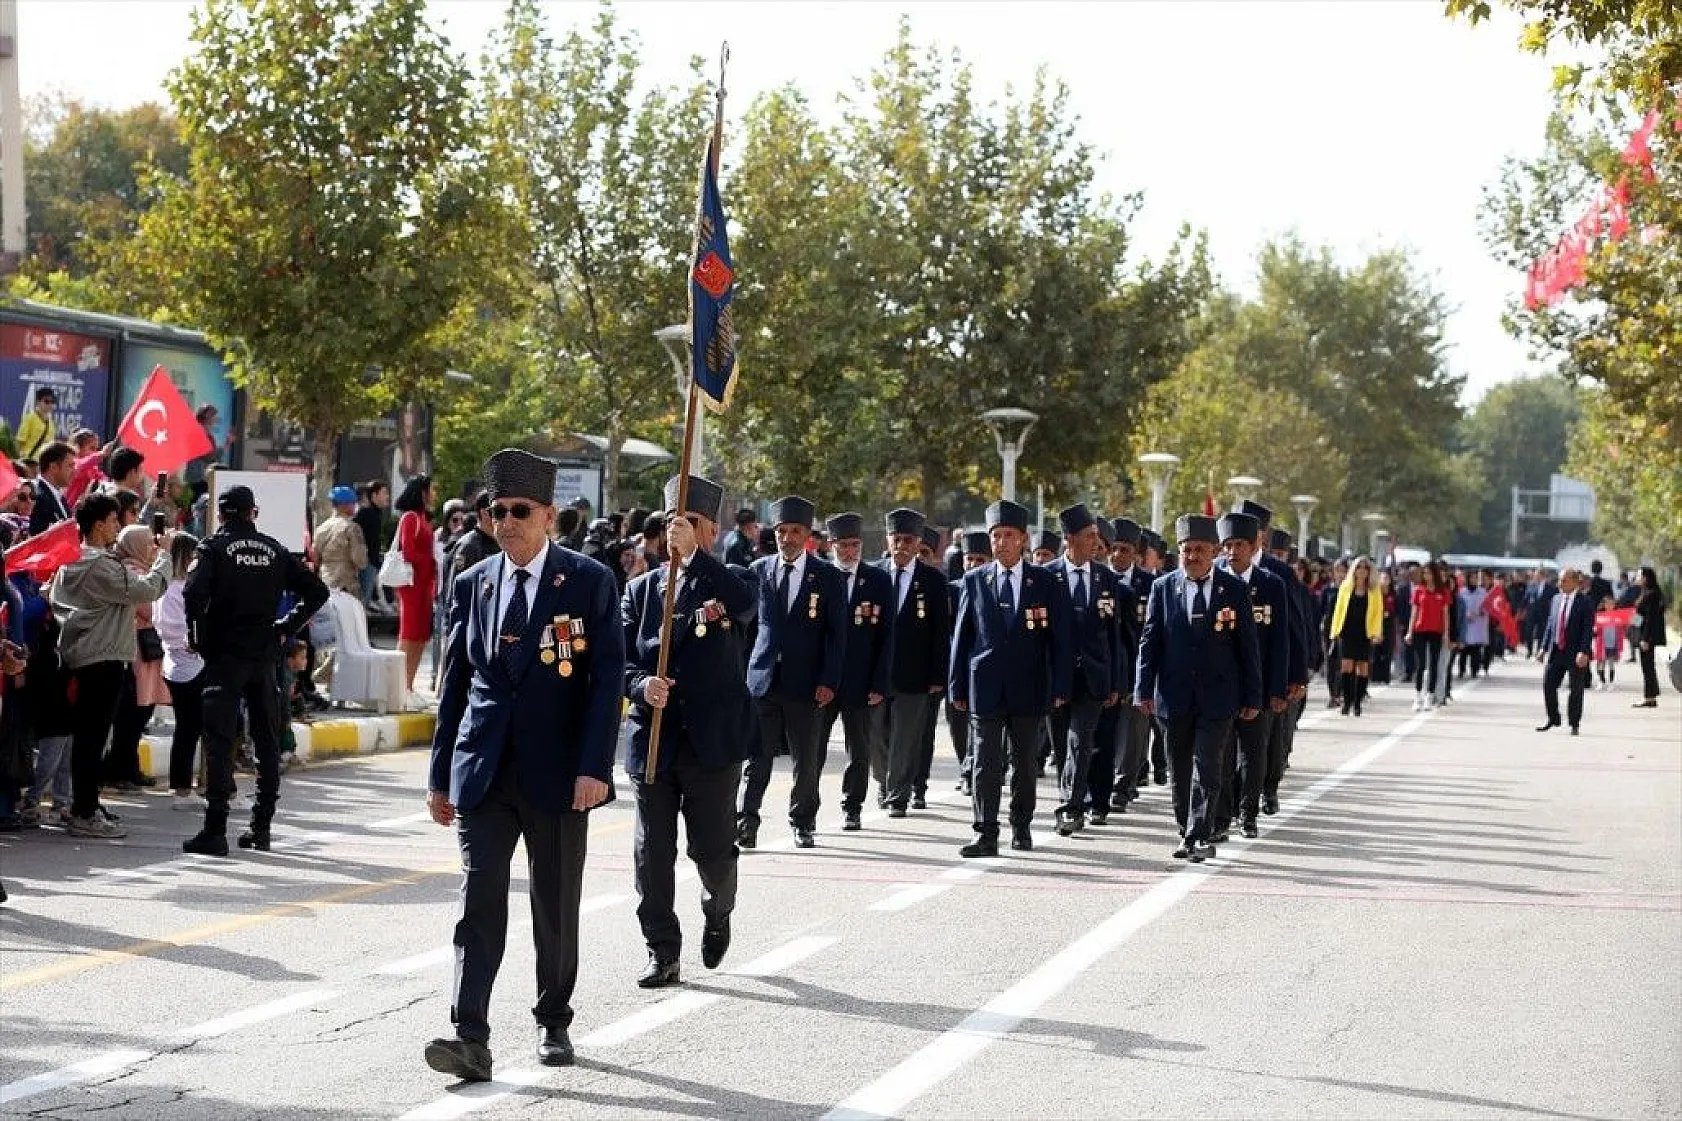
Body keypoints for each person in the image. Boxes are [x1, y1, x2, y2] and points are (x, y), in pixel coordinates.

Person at [424, 449, 622, 1082]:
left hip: (559, 772)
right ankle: (469, 1033)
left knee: (554, 903)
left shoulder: (588, 580)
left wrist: (594, 767)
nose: (505, 521)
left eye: (519, 511)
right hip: (483, 768)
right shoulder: (473, 581)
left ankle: (553, 1018)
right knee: (478, 897)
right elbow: (455, 684)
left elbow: (604, 682)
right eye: (496, 511)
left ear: (549, 516)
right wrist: (438, 774)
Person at [621, 474, 756, 988]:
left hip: (714, 743)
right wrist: (640, 685)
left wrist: (697, 559)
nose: (679, 533)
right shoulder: (640, 590)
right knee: (652, 852)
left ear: (711, 530)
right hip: (655, 740)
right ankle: (662, 948)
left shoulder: (732, 579)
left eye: (691, 524)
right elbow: (621, 662)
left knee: (712, 849)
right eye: (673, 524)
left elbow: (747, 606)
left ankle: (719, 907)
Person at [181, 486, 329, 855]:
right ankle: (260, 828)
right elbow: (317, 591)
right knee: (265, 741)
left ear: (221, 514)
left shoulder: (212, 548)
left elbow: (193, 594)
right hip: (263, 655)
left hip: (225, 655)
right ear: (252, 513)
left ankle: (215, 830)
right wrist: (284, 626)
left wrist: (199, 637)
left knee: (219, 741)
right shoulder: (275, 550)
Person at [948, 499, 1073, 857]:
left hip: (1029, 685)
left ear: (1023, 539)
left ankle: (1021, 824)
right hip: (984, 684)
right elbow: (963, 637)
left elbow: (1060, 640)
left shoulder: (1045, 582)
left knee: (1025, 762)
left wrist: (1060, 685)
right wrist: (957, 685)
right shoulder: (974, 581)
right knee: (986, 762)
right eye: (995, 536)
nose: (1001, 542)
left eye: (1008, 536)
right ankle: (985, 831)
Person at [1134, 514, 1261, 863]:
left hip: (1218, 696)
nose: (1192, 556)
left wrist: (1253, 695)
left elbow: (1246, 645)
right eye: (1187, 550)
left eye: (1200, 550)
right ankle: (1185, 828)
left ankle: (1199, 832)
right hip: (1173, 697)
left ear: (1214, 551)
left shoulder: (1233, 589)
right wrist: (1142, 688)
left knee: (1207, 766)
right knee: (1178, 769)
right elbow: (1150, 642)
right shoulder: (1163, 588)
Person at [48, 493, 173, 839]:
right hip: (102, 660)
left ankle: (84, 805)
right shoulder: (99, 565)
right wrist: (163, 556)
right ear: (99, 523)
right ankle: (84, 812)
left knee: (89, 739)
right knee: (92, 739)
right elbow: (148, 590)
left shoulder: (73, 561)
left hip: (87, 657)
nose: (118, 527)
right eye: (114, 521)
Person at [739, 496, 847, 850]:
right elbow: (748, 628)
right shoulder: (759, 570)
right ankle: (747, 821)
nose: (787, 538)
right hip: (764, 677)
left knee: (806, 757)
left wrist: (829, 680)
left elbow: (837, 635)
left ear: (807, 535)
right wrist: (745, 673)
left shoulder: (828, 577)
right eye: (782, 531)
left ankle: (803, 821)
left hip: (807, 681)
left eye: (794, 531)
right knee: (758, 756)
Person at [1043, 504, 1128, 838]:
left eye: (1096, 536)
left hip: (1094, 677)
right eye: (1089, 536)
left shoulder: (1106, 578)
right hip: (1057, 677)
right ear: (1069, 539)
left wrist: (1116, 681)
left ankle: (1071, 806)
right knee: (1062, 745)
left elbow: (1115, 635)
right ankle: (1071, 797)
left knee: (1081, 740)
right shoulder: (1047, 576)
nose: (1096, 542)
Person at [1213, 511, 1289, 841]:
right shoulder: (1213, 581)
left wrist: (1278, 687)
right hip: (1223, 683)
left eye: (1239, 544)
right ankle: (1223, 815)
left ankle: (1248, 813)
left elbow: (1281, 641)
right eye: (1227, 545)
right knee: (1223, 753)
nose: (1233, 552)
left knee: (1254, 752)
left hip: (1258, 683)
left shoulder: (1271, 584)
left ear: (1254, 545)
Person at [818, 513, 894, 828]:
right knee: (813, 750)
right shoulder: (819, 576)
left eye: (854, 545)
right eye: (843, 545)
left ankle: (853, 806)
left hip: (860, 681)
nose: (849, 552)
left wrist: (879, 683)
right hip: (823, 680)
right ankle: (807, 810)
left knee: (859, 749)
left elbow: (886, 637)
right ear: (831, 544)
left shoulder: (877, 580)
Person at [875, 508, 950, 818]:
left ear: (918, 542)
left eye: (908, 540)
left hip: (915, 673)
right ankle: (884, 780)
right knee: (876, 734)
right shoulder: (874, 574)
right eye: (897, 539)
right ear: (888, 540)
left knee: (906, 737)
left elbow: (940, 632)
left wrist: (937, 675)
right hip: (876, 673)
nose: (902, 546)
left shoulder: (932, 579)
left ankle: (898, 795)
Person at [104, 526, 170, 790]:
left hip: (144, 652)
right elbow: (150, 609)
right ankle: (120, 770)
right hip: (134, 653)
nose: (153, 548)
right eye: (148, 543)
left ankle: (128, 767)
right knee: (131, 715)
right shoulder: (132, 572)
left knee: (139, 713)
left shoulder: (140, 571)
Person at [154, 533, 207, 810]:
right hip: (187, 662)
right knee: (190, 728)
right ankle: (183, 790)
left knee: (190, 728)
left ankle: (186, 788)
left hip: (178, 662)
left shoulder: (172, 588)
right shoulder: (176, 590)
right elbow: (176, 629)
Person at [392, 474, 438, 694]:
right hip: (412, 586)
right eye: (432, 489)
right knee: (409, 635)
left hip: (425, 585)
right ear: (422, 492)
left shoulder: (422, 518)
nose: (434, 494)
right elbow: (408, 552)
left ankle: (408, 686)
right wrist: (430, 560)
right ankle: (399, 687)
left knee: (420, 635)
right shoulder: (410, 518)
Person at [1536, 566, 1594, 736]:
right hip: (1556, 650)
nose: (1560, 584)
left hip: (1575, 652)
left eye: (1564, 581)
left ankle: (1574, 723)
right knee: (1548, 685)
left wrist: (1584, 651)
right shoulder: (1555, 599)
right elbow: (1550, 625)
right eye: (1560, 580)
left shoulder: (1584, 602)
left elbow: (1587, 629)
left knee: (1576, 689)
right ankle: (1553, 718)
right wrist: (1543, 647)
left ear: (1575, 582)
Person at [1332, 557, 1384, 717]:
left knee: (1362, 668)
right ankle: (1347, 702)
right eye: (1359, 567)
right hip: (1347, 632)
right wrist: (1335, 631)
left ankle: (1358, 702)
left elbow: (1377, 613)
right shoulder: (1345, 588)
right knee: (1346, 666)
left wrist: (1377, 633)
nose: (1362, 570)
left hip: (1365, 632)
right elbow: (1338, 610)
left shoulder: (1374, 590)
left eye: (1365, 568)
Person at [1406, 562, 1452, 711]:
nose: (1427, 576)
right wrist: (1410, 631)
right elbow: (1414, 612)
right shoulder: (1419, 591)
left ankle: (1429, 695)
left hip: (1436, 631)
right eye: (1425, 573)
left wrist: (1446, 634)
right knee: (1420, 664)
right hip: (1420, 630)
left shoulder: (1443, 592)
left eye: (1430, 573)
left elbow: (1445, 614)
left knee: (1433, 664)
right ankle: (1418, 695)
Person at [313, 485, 368, 596]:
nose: (355, 506)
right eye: (353, 503)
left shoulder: (321, 528)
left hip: (326, 581)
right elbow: (360, 560)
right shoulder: (352, 528)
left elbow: (316, 558)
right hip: (346, 584)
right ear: (345, 505)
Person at [1631, 567, 1667, 708]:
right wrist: (1632, 624)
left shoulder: (1652, 595)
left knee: (1648, 667)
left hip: (1647, 637)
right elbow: (1640, 615)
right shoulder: (1645, 593)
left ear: (1646, 578)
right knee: (1647, 666)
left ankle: (1649, 697)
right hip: (1643, 634)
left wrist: (1645, 639)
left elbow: (1651, 619)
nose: (1637, 577)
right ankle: (1651, 696)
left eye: (1639, 575)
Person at [355, 481, 391, 615]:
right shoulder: (365, 513)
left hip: (372, 563)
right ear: (374, 495)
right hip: (366, 564)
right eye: (384, 493)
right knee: (362, 600)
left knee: (366, 598)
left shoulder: (376, 514)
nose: (387, 496)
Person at [30, 442, 74, 535]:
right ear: (53, 467)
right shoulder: (36, 497)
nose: (74, 470)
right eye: (70, 465)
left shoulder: (58, 496)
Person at [16, 386, 56, 461]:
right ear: (38, 402)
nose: (50, 404)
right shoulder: (30, 418)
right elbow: (20, 441)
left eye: (52, 402)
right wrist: (21, 459)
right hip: (29, 461)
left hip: (44, 463)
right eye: (46, 401)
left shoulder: (51, 423)